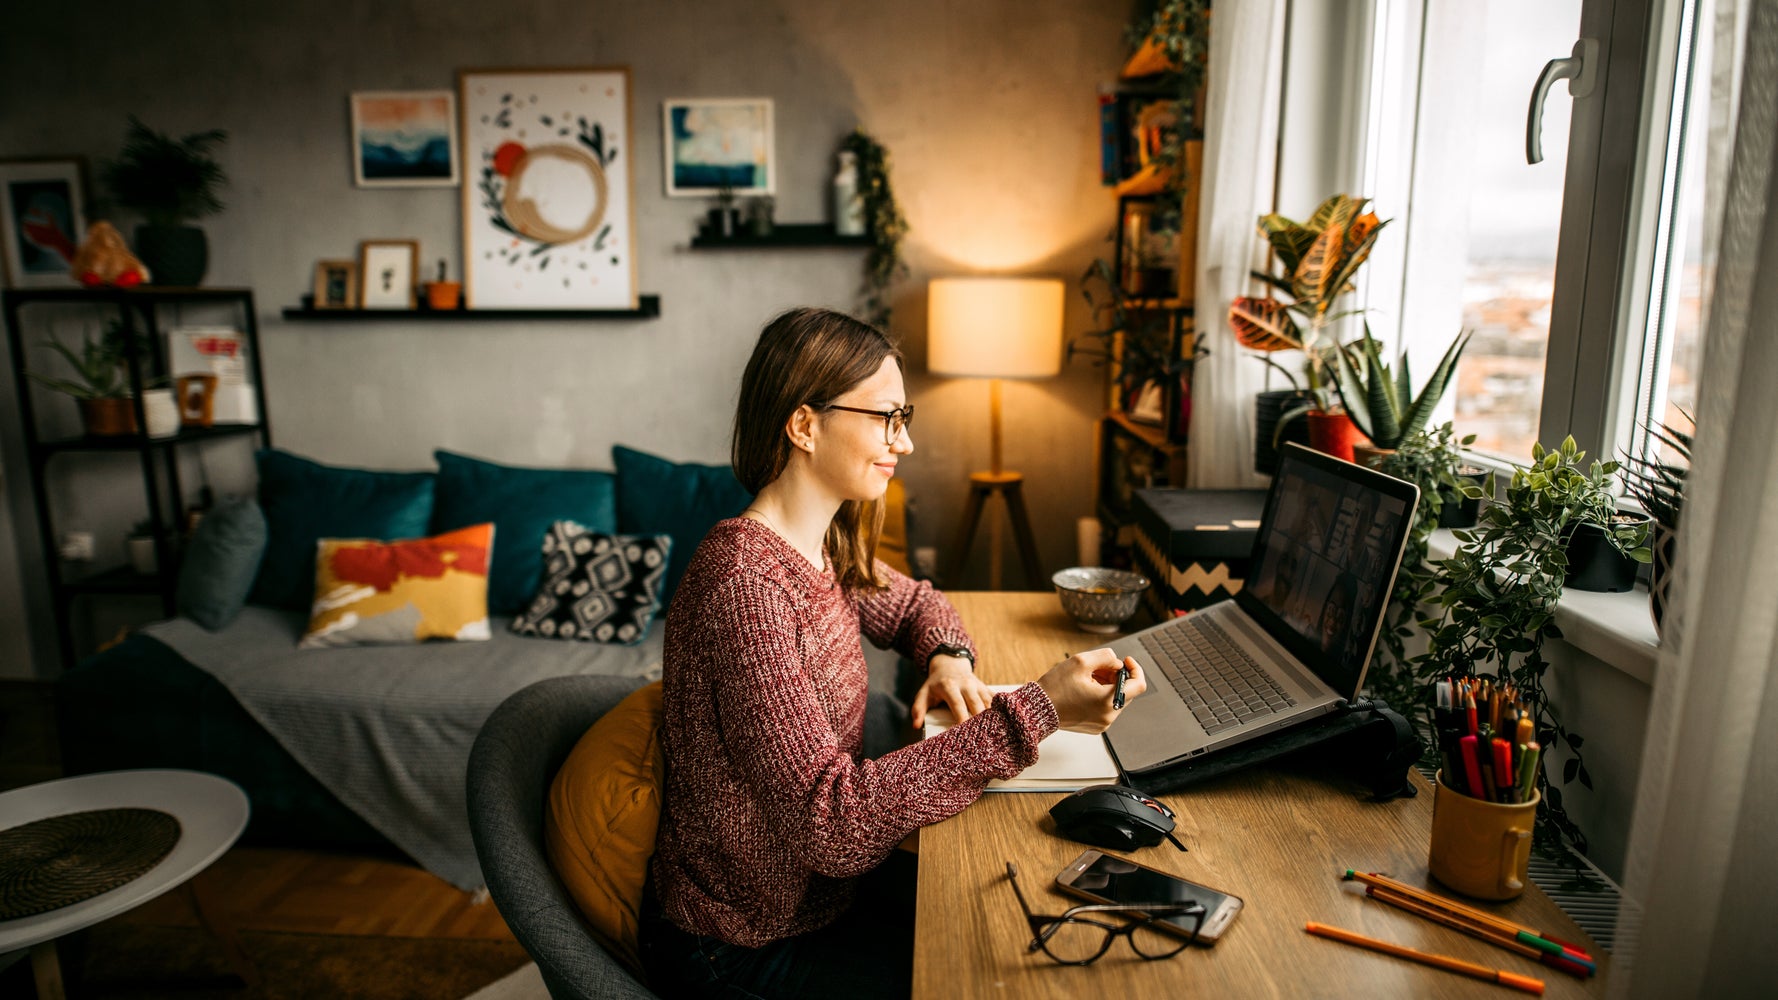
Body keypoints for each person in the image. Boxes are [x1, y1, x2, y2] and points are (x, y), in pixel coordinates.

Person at [638, 308, 1146, 999]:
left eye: (902, 417)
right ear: (804, 425)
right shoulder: (746, 588)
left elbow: (916, 606)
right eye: (885, 418)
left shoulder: (823, 549)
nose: (903, 442)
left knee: (1017, 921)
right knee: (1001, 976)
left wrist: (949, 659)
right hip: (742, 944)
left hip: (827, 900)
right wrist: (1036, 711)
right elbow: (834, 825)